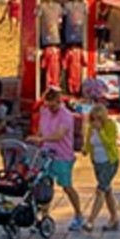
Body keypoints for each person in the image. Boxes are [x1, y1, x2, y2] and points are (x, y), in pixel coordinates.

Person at [31, 88, 85, 231]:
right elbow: (41, 130)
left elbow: (59, 135)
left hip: (63, 155)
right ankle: (43, 216)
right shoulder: (45, 111)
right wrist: (37, 140)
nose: (50, 109)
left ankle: (79, 214)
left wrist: (41, 139)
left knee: (67, 186)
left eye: (53, 106)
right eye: (48, 105)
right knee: (44, 185)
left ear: (58, 102)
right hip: (46, 153)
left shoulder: (66, 116)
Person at [82, 104, 120, 232]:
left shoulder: (110, 126)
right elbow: (89, 142)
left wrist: (101, 131)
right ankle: (114, 218)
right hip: (97, 163)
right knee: (107, 190)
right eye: (93, 119)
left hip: (109, 162)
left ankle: (91, 221)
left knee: (100, 190)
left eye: (98, 119)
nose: (95, 122)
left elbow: (110, 143)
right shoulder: (91, 128)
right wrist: (85, 150)